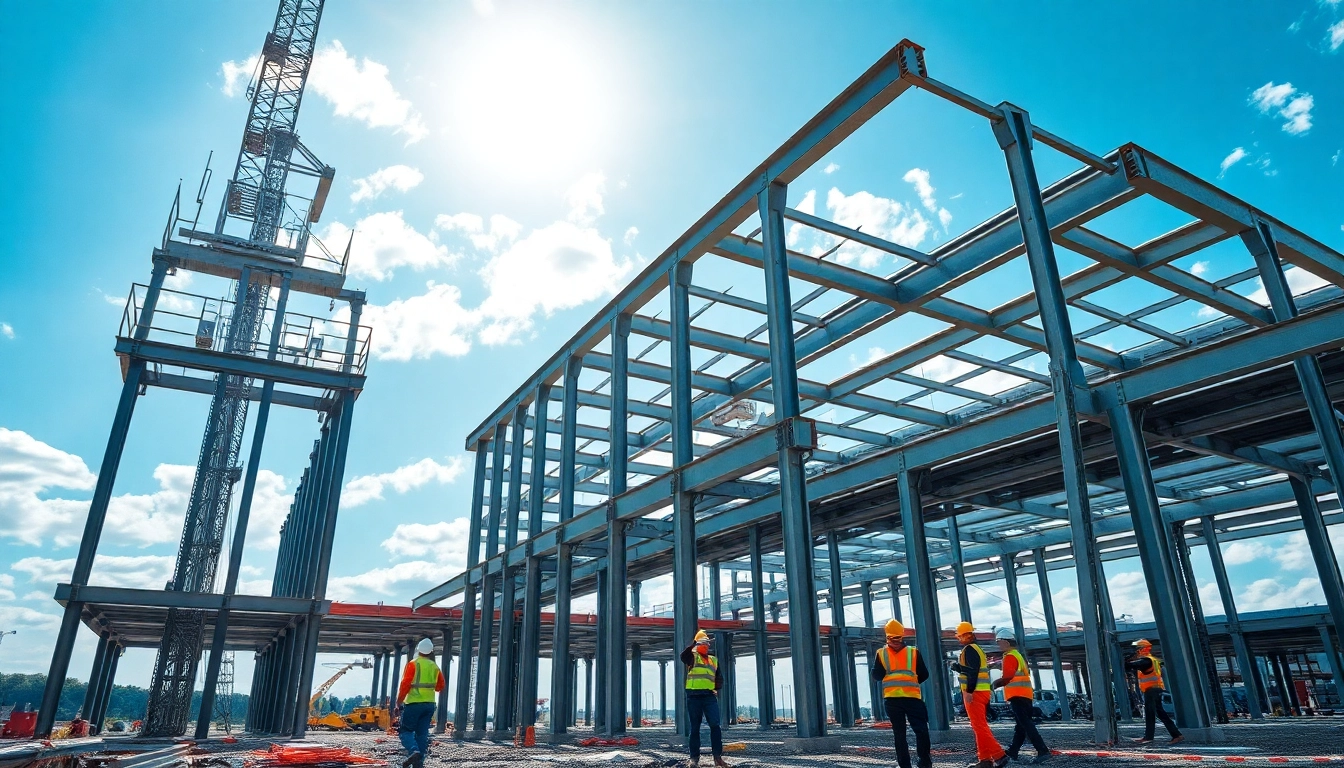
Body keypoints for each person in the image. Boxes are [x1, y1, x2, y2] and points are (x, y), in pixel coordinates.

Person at [870, 619, 932, 768]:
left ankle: (914, 764)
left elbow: (877, 676)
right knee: (918, 731)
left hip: (896, 700)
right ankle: (922, 762)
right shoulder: (911, 653)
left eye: (895, 638)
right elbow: (923, 674)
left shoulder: (883, 653)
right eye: (893, 639)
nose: (895, 642)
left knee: (904, 734)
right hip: (907, 699)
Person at [949, 621, 1008, 768]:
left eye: (960, 636)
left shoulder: (969, 650)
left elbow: (972, 673)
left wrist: (968, 692)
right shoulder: (976, 649)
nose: (959, 639)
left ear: (964, 636)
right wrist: (958, 667)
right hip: (981, 691)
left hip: (974, 693)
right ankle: (985, 760)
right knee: (978, 726)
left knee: (979, 726)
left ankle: (999, 755)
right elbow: (971, 669)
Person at [990, 628, 1050, 764]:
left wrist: (994, 684)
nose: (998, 645)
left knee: (1026, 724)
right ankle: (1013, 751)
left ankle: (1042, 750)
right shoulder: (1018, 655)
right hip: (1025, 695)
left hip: (1018, 695)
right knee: (1021, 725)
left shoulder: (1010, 656)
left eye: (999, 642)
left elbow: (1008, 677)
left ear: (1006, 642)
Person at [680, 630, 728, 768]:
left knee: (715, 726)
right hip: (694, 696)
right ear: (697, 644)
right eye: (702, 643)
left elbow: (719, 677)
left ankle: (717, 757)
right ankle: (694, 758)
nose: (705, 646)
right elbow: (683, 656)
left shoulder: (713, 660)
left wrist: (716, 688)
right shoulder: (692, 657)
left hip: (709, 697)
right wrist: (694, 643)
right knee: (695, 728)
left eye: (707, 644)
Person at [396, 638, 445, 768]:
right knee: (422, 734)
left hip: (413, 703)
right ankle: (419, 763)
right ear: (431, 651)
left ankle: (413, 751)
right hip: (429, 704)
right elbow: (440, 687)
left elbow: (405, 684)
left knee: (405, 731)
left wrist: (399, 701)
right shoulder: (435, 666)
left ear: (418, 650)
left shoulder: (413, 664)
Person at [1125, 639, 1183, 746]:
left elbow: (1129, 666)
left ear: (1142, 649)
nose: (1136, 652)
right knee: (1159, 713)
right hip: (1154, 689)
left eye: (1137, 649)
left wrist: (1127, 659)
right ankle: (1176, 735)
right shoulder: (1153, 660)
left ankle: (1149, 737)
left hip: (1151, 690)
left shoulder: (1146, 661)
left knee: (1150, 713)